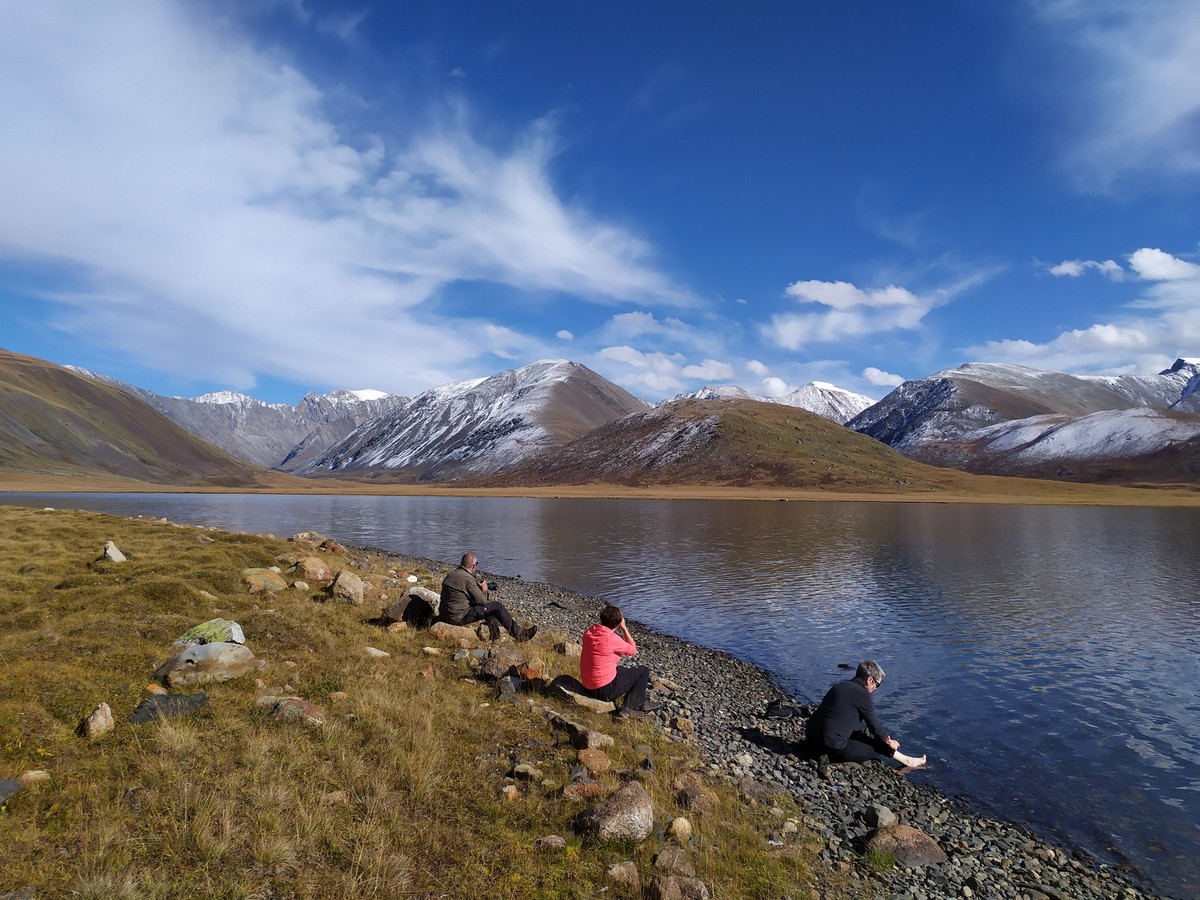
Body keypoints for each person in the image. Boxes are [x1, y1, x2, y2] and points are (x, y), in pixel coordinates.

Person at [805, 660, 926, 768]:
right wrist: (889, 741)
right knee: (876, 746)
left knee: (863, 729)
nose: (876, 689)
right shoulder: (863, 695)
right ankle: (907, 760)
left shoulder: (840, 686)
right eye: (877, 684)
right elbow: (875, 726)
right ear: (869, 680)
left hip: (811, 738)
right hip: (831, 747)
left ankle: (905, 758)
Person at [580, 604, 660, 719]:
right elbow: (632, 650)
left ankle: (640, 700)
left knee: (621, 670)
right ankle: (630, 708)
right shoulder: (612, 639)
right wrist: (624, 628)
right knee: (642, 671)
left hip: (587, 686)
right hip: (604, 691)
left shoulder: (590, 632)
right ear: (618, 622)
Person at [438, 552, 536, 642]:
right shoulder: (467, 579)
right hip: (457, 617)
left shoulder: (452, 574)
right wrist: (484, 590)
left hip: (445, 614)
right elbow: (482, 601)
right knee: (497, 606)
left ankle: (494, 634)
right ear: (473, 565)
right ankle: (520, 635)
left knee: (487, 609)